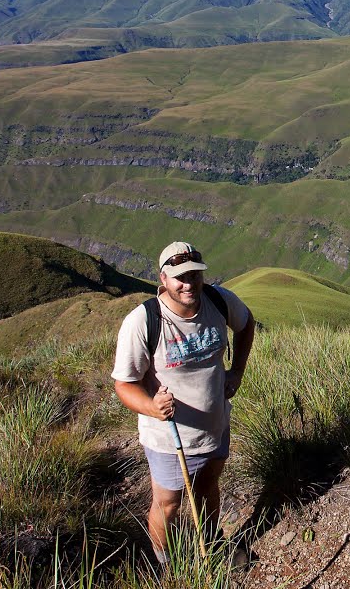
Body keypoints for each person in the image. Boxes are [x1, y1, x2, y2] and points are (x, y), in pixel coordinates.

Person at [111, 240, 255, 567]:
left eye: (194, 275)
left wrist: (237, 372)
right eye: (179, 277)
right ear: (163, 279)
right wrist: (152, 408)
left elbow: (247, 325)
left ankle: (212, 543)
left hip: (216, 425)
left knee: (208, 487)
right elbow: (124, 384)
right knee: (168, 505)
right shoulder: (144, 321)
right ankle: (168, 564)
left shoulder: (218, 300)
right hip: (169, 439)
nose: (188, 283)